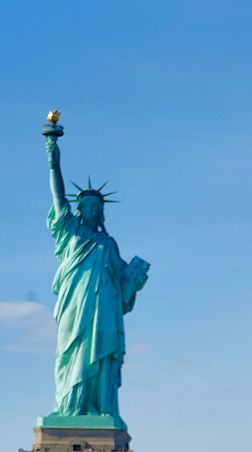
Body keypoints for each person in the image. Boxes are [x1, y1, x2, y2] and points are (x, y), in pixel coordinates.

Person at [42, 121, 150, 422]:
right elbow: (58, 197)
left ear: (101, 212)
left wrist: (135, 278)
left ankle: (100, 407)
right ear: (78, 210)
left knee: (101, 353)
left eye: (95, 206)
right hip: (76, 304)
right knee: (72, 351)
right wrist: (53, 159)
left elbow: (123, 285)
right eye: (86, 205)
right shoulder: (70, 232)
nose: (91, 209)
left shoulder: (108, 244)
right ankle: (70, 407)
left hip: (104, 308)